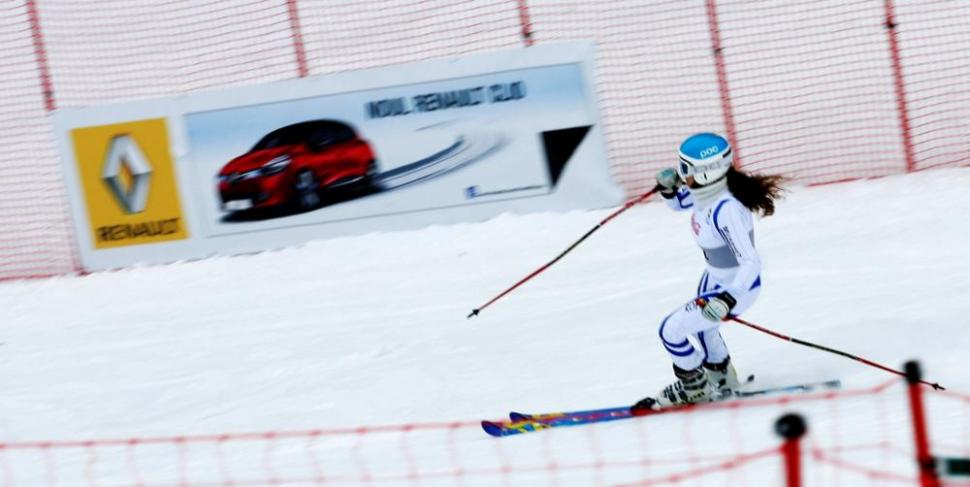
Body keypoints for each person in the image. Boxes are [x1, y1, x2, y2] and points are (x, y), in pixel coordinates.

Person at [634, 132, 784, 410]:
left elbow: (750, 261)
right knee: (705, 331)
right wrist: (668, 190)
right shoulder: (709, 193)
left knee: (670, 331)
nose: (682, 175)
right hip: (714, 279)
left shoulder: (726, 208)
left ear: (706, 173)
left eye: (686, 169)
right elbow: (681, 203)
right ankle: (722, 380)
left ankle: (695, 387)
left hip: (735, 287)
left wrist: (727, 299)